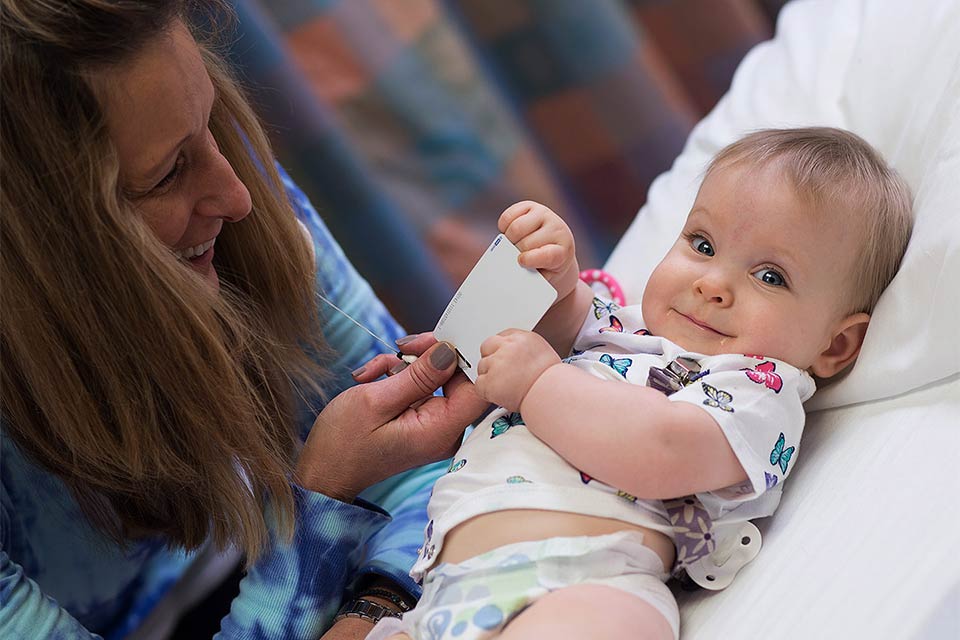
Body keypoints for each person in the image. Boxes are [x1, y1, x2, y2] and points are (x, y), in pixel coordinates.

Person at [0, 2, 489, 639]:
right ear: (35, 245)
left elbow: (425, 473)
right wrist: (326, 497)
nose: (239, 196)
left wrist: (374, 602)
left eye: (209, 123)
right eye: (168, 173)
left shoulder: (219, 185)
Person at [361, 127, 913, 640]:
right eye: (702, 244)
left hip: (587, 580)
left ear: (834, 346)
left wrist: (538, 384)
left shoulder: (756, 387)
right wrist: (556, 275)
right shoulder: (630, 329)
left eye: (771, 276)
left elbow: (664, 449)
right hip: (441, 597)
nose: (712, 284)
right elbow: (565, 324)